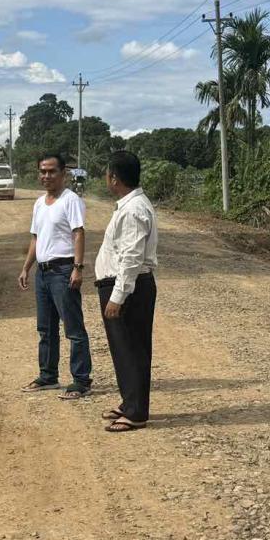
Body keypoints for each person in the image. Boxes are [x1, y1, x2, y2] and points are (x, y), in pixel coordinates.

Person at [18, 152, 92, 399]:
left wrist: (78, 267)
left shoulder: (71, 200)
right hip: (43, 273)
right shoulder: (39, 203)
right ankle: (48, 376)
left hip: (63, 271)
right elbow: (36, 238)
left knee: (73, 329)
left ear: (63, 174)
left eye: (51, 171)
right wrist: (26, 268)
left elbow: (78, 233)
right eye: (43, 171)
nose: (46, 176)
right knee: (45, 328)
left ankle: (81, 381)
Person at [94, 151, 158, 432]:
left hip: (129, 288)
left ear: (114, 178)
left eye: (107, 173)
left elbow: (132, 257)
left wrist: (117, 296)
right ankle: (129, 402)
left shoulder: (133, 210)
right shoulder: (130, 205)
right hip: (125, 285)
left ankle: (136, 413)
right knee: (123, 349)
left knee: (132, 350)